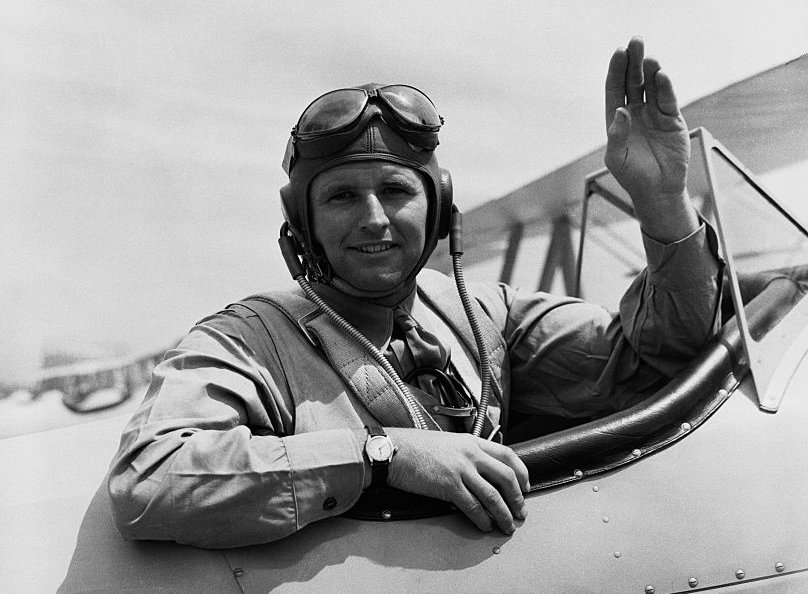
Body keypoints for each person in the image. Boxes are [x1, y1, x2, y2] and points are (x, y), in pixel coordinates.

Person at [107, 38, 722, 548]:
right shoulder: (249, 341)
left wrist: (663, 203)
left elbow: (649, 360)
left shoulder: (485, 316)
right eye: (342, 197)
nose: (374, 218)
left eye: (396, 191)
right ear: (304, 223)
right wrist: (380, 454)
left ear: (437, 207)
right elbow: (150, 479)